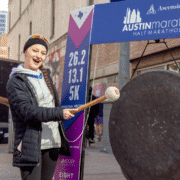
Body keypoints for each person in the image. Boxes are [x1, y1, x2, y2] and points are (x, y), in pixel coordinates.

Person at [6, 34, 76, 180]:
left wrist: (62, 112)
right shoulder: (16, 81)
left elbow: (51, 105)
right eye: (35, 51)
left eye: (43, 53)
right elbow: (27, 111)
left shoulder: (46, 77)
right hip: (31, 145)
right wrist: (59, 113)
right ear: (25, 52)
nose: (39, 56)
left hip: (52, 142)